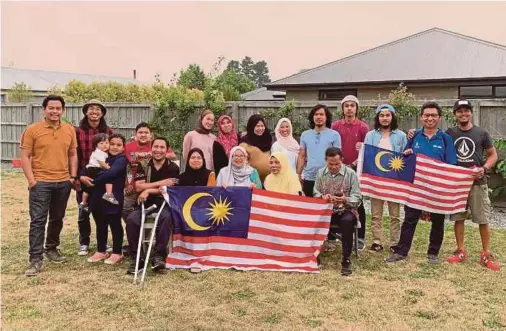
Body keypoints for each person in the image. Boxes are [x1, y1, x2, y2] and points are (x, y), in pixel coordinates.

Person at [386, 102, 457, 264]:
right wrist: (407, 153)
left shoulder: (445, 139)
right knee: (410, 219)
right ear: (421, 117)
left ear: (439, 118)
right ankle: (401, 252)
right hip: (416, 187)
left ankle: (433, 253)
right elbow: (404, 159)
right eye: (426, 115)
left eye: (433, 115)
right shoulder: (414, 136)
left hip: (437, 187)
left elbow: (451, 164)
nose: (430, 118)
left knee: (438, 221)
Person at [20, 95, 78, 276]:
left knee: (57, 218)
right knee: (38, 220)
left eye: (58, 108)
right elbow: (25, 156)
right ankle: (35, 259)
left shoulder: (69, 130)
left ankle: (52, 248)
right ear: (43, 109)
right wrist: (32, 180)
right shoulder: (32, 130)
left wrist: (72, 177)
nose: (54, 111)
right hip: (41, 182)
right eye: (51, 108)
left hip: (63, 182)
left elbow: (72, 154)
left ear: (63, 110)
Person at [445, 100, 500, 270]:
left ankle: (486, 253)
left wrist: (484, 169)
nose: (463, 114)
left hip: (477, 183)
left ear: (471, 113)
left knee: (482, 219)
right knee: (458, 218)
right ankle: (460, 250)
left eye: (466, 111)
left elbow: (493, 155)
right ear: (455, 114)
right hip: (457, 184)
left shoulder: (481, 133)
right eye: (459, 111)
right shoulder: (450, 133)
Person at [126, 137, 180, 274]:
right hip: (145, 201)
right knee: (132, 220)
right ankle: (137, 258)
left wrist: (148, 189)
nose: (158, 150)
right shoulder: (143, 164)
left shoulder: (173, 167)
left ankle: (159, 256)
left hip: (164, 200)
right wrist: (162, 183)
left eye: (162, 147)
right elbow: (138, 187)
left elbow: (170, 188)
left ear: (166, 150)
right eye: (156, 147)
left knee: (166, 218)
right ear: (152, 148)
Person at [363, 104, 407, 253]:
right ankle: (376, 241)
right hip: (376, 180)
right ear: (377, 117)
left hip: (394, 179)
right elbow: (367, 156)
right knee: (376, 214)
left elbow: (404, 157)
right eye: (382, 115)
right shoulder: (370, 135)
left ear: (392, 117)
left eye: (388, 115)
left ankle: (394, 242)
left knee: (395, 215)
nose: (385, 118)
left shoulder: (401, 135)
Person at [313, 147, 362, 276]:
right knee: (312, 219)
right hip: (325, 210)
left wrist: (345, 199)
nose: (333, 167)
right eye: (330, 164)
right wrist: (322, 197)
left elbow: (358, 197)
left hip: (346, 210)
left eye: (336, 164)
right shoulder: (320, 173)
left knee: (347, 221)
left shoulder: (351, 174)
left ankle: (346, 259)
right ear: (325, 161)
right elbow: (315, 192)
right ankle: (315, 254)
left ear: (342, 160)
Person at [74, 99, 114, 256]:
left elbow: (113, 155)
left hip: (102, 177)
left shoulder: (108, 133)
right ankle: (84, 242)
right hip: (84, 176)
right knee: (84, 210)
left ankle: (102, 242)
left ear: (102, 113)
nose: (95, 112)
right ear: (85, 112)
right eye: (91, 109)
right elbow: (74, 156)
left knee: (102, 211)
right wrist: (77, 177)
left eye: (98, 109)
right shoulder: (78, 132)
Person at [83, 134, 128, 264]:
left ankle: (117, 252)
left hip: (113, 197)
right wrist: (81, 177)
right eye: (112, 144)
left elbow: (112, 173)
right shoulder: (101, 156)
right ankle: (101, 250)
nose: (114, 147)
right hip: (97, 196)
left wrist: (94, 179)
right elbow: (87, 168)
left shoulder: (121, 159)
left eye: (118, 145)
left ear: (123, 148)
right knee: (100, 224)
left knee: (115, 225)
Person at [331, 95, 369, 250]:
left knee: (356, 202)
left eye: (352, 105)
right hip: (337, 169)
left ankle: (360, 237)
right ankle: (335, 235)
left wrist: (353, 164)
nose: (349, 108)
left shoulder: (363, 127)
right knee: (336, 201)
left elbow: (367, 149)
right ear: (342, 108)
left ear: (356, 108)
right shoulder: (335, 126)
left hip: (354, 169)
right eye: (346, 105)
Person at [123, 122, 177, 221]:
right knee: (126, 207)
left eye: (146, 132)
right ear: (135, 134)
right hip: (135, 181)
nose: (143, 135)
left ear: (150, 135)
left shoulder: (155, 145)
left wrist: (151, 154)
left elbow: (172, 155)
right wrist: (128, 184)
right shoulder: (128, 147)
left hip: (149, 180)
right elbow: (127, 167)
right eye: (140, 132)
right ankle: (135, 226)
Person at [297, 104, 341, 197]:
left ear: (326, 117)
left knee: (327, 206)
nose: (319, 117)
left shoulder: (334, 135)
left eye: (321, 114)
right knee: (309, 206)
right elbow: (302, 156)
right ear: (312, 117)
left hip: (328, 177)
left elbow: (338, 158)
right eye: (316, 114)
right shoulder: (305, 134)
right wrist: (298, 174)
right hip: (309, 177)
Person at [79, 133, 117, 212]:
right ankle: (109, 194)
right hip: (94, 169)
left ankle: (83, 202)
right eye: (101, 143)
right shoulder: (99, 152)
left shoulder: (100, 152)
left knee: (87, 188)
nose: (105, 145)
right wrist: (111, 169)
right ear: (96, 145)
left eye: (107, 143)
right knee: (109, 178)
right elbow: (102, 164)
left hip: (90, 169)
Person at [240, 114, 273, 182]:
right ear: (252, 127)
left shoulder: (267, 139)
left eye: (262, 126)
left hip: (268, 181)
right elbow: (242, 163)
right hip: (252, 182)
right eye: (257, 126)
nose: (260, 128)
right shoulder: (245, 142)